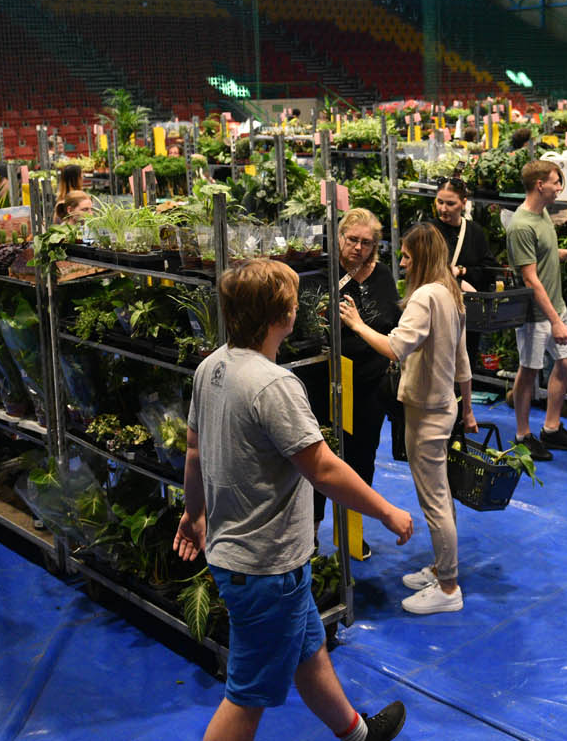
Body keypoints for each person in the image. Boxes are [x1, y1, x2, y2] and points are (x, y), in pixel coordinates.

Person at [174, 259, 411, 741]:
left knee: (308, 648)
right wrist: (386, 510)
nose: (299, 306)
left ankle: (357, 736)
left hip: (243, 555)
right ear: (279, 316)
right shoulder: (273, 384)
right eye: (293, 300)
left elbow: (194, 449)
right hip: (265, 567)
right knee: (246, 697)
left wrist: (192, 512)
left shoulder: (212, 367)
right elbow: (322, 469)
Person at [340, 223, 472, 615]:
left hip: (427, 411)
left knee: (433, 500)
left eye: (407, 257)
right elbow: (462, 358)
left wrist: (356, 323)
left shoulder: (426, 296)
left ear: (422, 258)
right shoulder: (451, 292)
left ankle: (448, 587)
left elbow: (396, 347)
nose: (400, 263)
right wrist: (467, 408)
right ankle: (441, 566)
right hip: (442, 406)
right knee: (441, 495)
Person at [505, 159, 567, 460]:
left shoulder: (543, 217)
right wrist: (556, 322)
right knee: (529, 371)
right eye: (556, 182)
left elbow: (546, 255)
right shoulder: (521, 226)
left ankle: (551, 429)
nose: (560, 187)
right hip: (535, 314)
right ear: (540, 185)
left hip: (556, 306)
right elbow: (530, 278)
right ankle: (522, 435)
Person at [333, 209, 402, 541]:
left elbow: (393, 324)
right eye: (352, 240)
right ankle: (314, 535)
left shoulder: (383, 275)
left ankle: (351, 534)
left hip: (372, 385)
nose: (358, 248)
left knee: (363, 457)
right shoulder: (324, 273)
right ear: (340, 237)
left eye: (367, 242)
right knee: (327, 458)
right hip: (330, 382)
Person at [427, 177, 495, 419]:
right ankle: (441, 418)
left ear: (464, 203)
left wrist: (463, 271)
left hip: (466, 314)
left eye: (450, 203)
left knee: (464, 366)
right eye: (439, 202)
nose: (443, 209)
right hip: (435, 314)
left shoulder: (475, 233)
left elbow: (488, 269)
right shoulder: (428, 230)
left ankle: (461, 417)